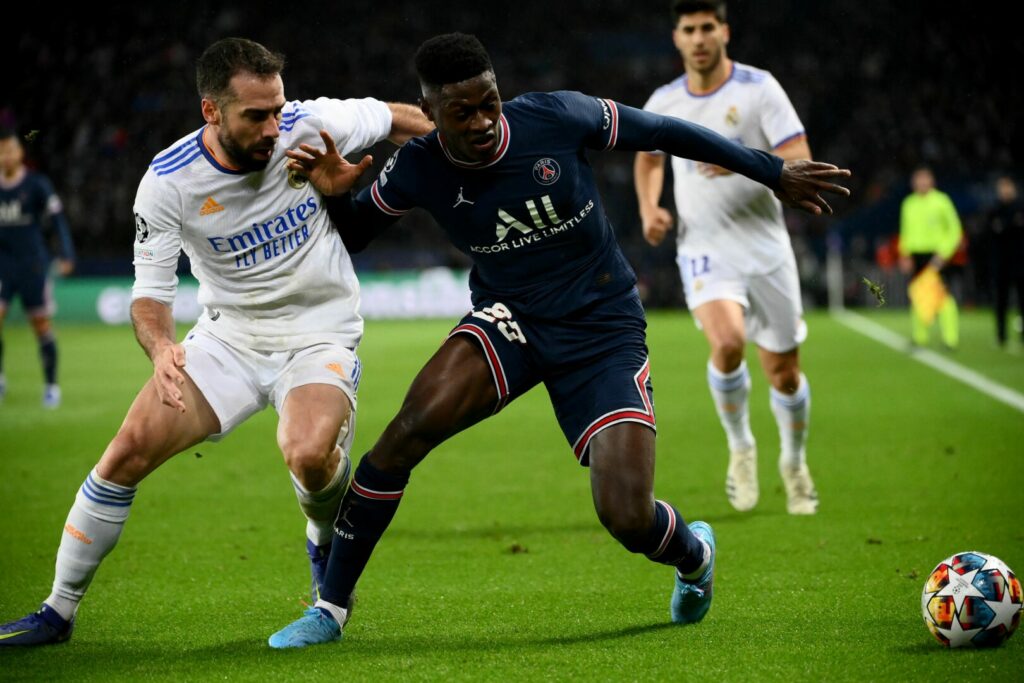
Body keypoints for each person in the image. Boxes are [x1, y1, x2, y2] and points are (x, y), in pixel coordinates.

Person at [266, 32, 850, 648]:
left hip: (602, 326)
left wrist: (772, 171)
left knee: (625, 515)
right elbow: (357, 234)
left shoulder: (555, 116)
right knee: (403, 435)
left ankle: (694, 554)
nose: (484, 121)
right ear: (430, 113)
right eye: (461, 112)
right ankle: (329, 608)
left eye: (489, 102)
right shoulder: (416, 167)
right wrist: (334, 194)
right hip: (510, 320)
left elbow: (663, 131)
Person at [0, 37, 431, 646]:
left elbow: (400, 119)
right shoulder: (168, 181)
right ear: (211, 111)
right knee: (124, 454)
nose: (273, 127)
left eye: (277, 109)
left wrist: (461, 162)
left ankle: (322, 539)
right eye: (256, 115)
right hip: (228, 338)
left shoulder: (311, 126)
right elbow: (149, 292)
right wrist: (161, 349)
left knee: (309, 457)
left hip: (318, 331)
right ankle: (56, 611)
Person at [633, 0, 820, 515]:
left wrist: (741, 163)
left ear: (724, 32)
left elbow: (799, 158)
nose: (698, 38)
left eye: (707, 28)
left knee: (784, 372)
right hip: (704, 246)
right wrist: (650, 206)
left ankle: (795, 461)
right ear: (676, 38)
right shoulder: (663, 100)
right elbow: (648, 158)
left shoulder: (759, 89)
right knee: (729, 342)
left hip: (765, 247)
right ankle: (741, 448)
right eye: (688, 29)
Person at [0, 128, 75, 408]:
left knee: (41, 325)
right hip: (3, 266)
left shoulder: (37, 185)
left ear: (20, 153)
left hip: (32, 265)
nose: (5, 157)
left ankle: (51, 386)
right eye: (1, 152)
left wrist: (66, 253)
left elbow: (57, 222)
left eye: (10, 150)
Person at [898, 166, 964, 350]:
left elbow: (955, 230)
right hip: (916, 255)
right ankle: (920, 337)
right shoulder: (909, 203)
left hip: (937, 255)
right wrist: (904, 254)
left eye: (925, 179)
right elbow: (905, 231)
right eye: (918, 179)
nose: (921, 183)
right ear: (913, 183)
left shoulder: (942, 201)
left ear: (931, 181)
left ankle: (950, 339)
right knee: (918, 294)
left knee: (943, 297)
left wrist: (943, 253)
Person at [985, 175, 1024, 348]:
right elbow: (991, 233)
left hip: (1020, 261)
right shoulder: (994, 209)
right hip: (1001, 263)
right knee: (1001, 301)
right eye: (1002, 187)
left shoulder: (1020, 207)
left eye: (1008, 187)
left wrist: (1004, 227)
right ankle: (1001, 336)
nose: (1005, 191)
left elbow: (1002, 229)